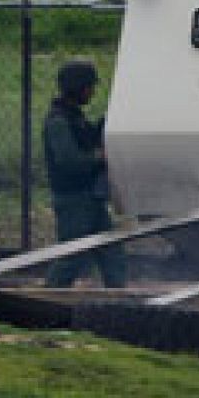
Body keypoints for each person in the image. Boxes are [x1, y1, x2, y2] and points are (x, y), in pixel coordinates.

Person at [43, 59, 126, 288]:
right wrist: (100, 157)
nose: (92, 92)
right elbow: (69, 161)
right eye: (89, 86)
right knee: (73, 256)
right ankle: (48, 297)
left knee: (112, 252)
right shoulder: (58, 122)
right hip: (73, 200)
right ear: (77, 88)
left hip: (89, 198)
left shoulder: (74, 117)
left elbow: (89, 137)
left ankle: (120, 299)